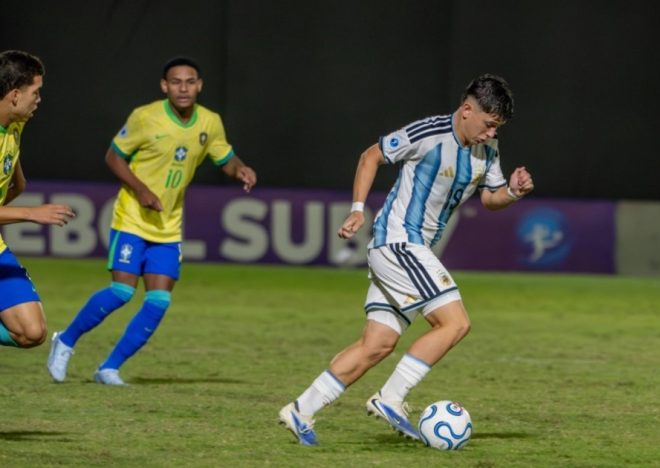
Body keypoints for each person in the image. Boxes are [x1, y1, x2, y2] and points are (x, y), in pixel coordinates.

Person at [278, 74, 534, 445]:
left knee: (377, 345)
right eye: (490, 124)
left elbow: (491, 198)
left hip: (411, 251)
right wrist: (357, 210)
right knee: (455, 323)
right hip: (399, 242)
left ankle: (300, 410)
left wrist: (512, 190)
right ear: (467, 111)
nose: (492, 134)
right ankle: (391, 397)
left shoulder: (487, 152)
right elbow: (371, 156)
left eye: (498, 128)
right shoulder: (429, 132)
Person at [46, 56, 257, 385]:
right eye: (176, 82)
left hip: (168, 226)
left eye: (190, 81)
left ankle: (109, 368)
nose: (183, 88)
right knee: (121, 292)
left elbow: (224, 157)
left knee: (159, 300)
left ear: (199, 85)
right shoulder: (145, 117)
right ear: (164, 86)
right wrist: (141, 190)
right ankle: (66, 340)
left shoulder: (210, 122)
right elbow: (113, 156)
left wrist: (240, 169)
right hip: (132, 217)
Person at [0, 50, 75, 349]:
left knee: (31, 332)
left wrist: (18, 182)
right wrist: (31, 213)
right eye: (36, 92)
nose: (39, 100)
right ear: (16, 95)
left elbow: (9, 155)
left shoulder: (15, 122)